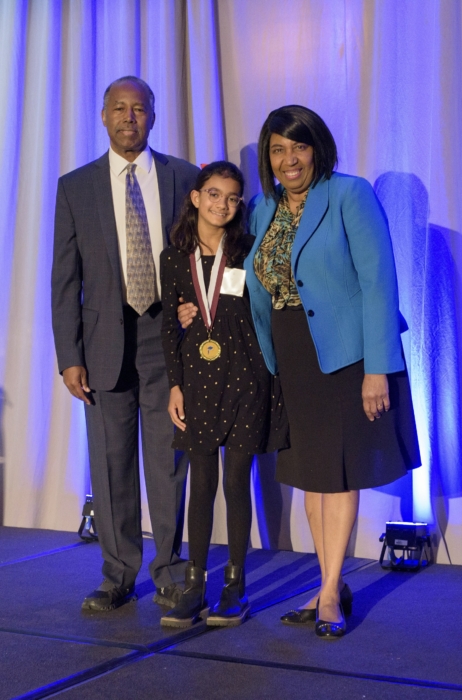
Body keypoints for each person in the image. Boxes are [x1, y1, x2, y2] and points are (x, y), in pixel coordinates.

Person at [177, 105, 421, 638]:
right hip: (287, 359)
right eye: (278, 150)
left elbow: (380, 282)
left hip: (344, 357)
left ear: (318, 148)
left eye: (299, 147)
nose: (289, 159)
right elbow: (232, 273)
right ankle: (327, 581)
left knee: (338, 473)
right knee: (312, 475)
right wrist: (188, 307)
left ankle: (330, 592)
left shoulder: (350, 194)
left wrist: (378, 368)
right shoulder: (261, 208)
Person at [51, 76, 199, 612]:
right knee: (111, 461)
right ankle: (117, 574)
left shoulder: (185, 177)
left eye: (138, 108)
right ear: (103, 116)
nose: (129, 117)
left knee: (168, 462)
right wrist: (69, 356)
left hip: (168, 340)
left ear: (153, 116)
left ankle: (170, 572)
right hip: (103, 345)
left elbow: (204, 257)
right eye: (119, 108)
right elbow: (65, 278)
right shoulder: (76, 186)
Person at [158, 161, 286, 628]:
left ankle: (235, 584)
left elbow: (264, 310)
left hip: (247, 378)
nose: (223, 205)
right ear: (196, 198)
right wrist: (175, 384)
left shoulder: (247, 250)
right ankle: (194, 585)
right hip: (197, 381)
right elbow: (168, 325)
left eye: (232, 198)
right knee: (201, 484)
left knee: (236, 483)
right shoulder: (174, 258)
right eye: (214, 194)